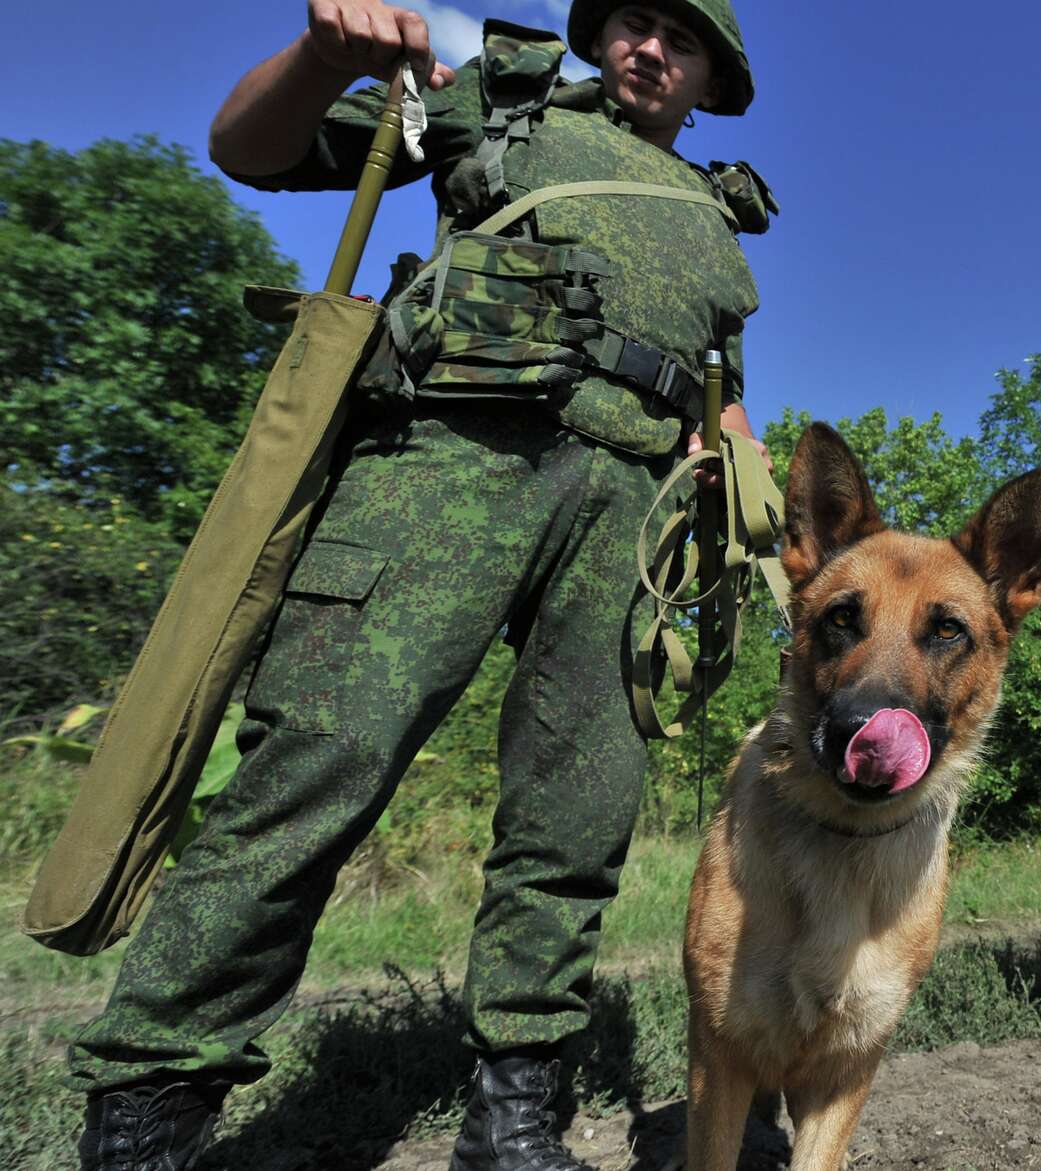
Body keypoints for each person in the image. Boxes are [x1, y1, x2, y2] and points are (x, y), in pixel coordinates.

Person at [68, 3, 772, 1168]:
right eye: (634, 25)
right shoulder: (499, 101)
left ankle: (515, 1111)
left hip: (629, 518)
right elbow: (249, 149)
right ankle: (153, 1092)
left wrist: (739, 486)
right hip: (444, 467)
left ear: (710, 80)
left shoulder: (715, 213)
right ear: (603, 40)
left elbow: (715, 389)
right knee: (320, 760)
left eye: (679, 42)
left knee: (577, 814)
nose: (650, 50)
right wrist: (321, 56)